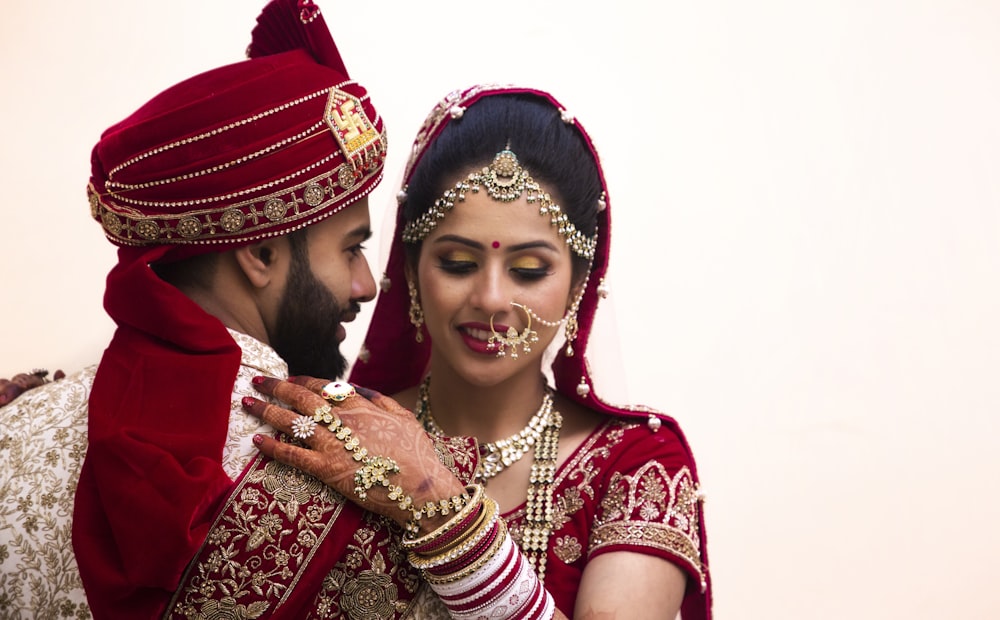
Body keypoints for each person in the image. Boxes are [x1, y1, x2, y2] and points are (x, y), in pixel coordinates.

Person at [0, 1, 469, 618]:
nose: (365, 284)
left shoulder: (15, 430)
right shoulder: (370, 476)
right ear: (259, 253)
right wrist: (454, 518)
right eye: (351, 247)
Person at [249, 86, 713, 618]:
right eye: (457, 263)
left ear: (580, 283)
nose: (491, 299)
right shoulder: (341, 433)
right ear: (410, 270)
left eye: (529, 270)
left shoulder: (638, 467)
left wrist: (441, 515)